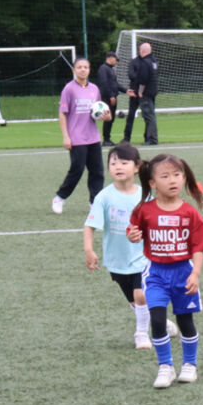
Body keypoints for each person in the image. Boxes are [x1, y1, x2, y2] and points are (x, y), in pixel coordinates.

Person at [126, 154, 203, 389]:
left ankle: (190, 364)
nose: (172, 180)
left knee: (185, 321)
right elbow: (133, 230)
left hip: (183, 273)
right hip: (155, 274)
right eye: (165, 176)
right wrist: (132, 235)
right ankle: (165, 366)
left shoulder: (189, 212)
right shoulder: (144, 210)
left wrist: (195, 274)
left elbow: (199, 246)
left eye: (177, 175)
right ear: (153, 183)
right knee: (157, 320)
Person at [84, 143, 157, 350]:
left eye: (124, 163)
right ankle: (159, 321)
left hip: (143, 257)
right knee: (135, 302)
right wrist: (89, 250)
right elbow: (90, 225)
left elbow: (154, 223)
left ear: (136, 167)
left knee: (141, 295)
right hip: (117, 260)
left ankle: (141, 334)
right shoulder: (104, 197)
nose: (118, 167)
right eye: (113, 163)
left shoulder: (145, 196)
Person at [51, 57, 105, 214]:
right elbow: (62, 114)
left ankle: (94, 202)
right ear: (74, 70)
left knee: (97, 172)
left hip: (93, 137)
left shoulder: (94, 89)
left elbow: (99, 111)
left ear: (89, 70)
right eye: (79, 67)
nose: (83, 69)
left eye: (85, 67)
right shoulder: (69, 89)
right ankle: (60, 197)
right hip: (76, 138)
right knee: (77, 169)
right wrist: (66, 137)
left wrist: (106, 116)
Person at [125, 42, 160, 146]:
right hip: (153, 91)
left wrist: (140, 91)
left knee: (148, 116)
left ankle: (152, 139)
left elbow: (143, 79)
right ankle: (151, 137)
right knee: (151, 115)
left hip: (146, 92)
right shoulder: (154, 61)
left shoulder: (145, 62)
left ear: (143, 51)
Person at [96, 51, 123, 147]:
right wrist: (111, 95)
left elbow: (115, 84)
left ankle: (107, 139)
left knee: (111, 119)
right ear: (110, 58)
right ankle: (106, 139)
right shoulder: (103, 69)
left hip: (112, 97)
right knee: (108, 118)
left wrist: (126, 90)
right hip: (107, 98)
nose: (116, 62)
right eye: (116, 59)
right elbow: (104, 84)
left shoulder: (110, 69)